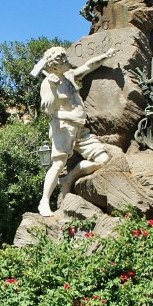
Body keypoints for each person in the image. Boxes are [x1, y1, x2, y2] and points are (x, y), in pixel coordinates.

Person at [31, 45, 118, 216]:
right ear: (54, 66)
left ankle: (68, 179)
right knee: (57, 164)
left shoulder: (70, 75)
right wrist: (54, 90)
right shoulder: (48, 83)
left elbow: (88, 66)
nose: (67, 61)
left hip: (81, 128)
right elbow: (48, 108)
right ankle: (44, 202)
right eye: (63, 60)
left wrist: (105, 55)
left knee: (103, 159)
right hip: (63, 126)